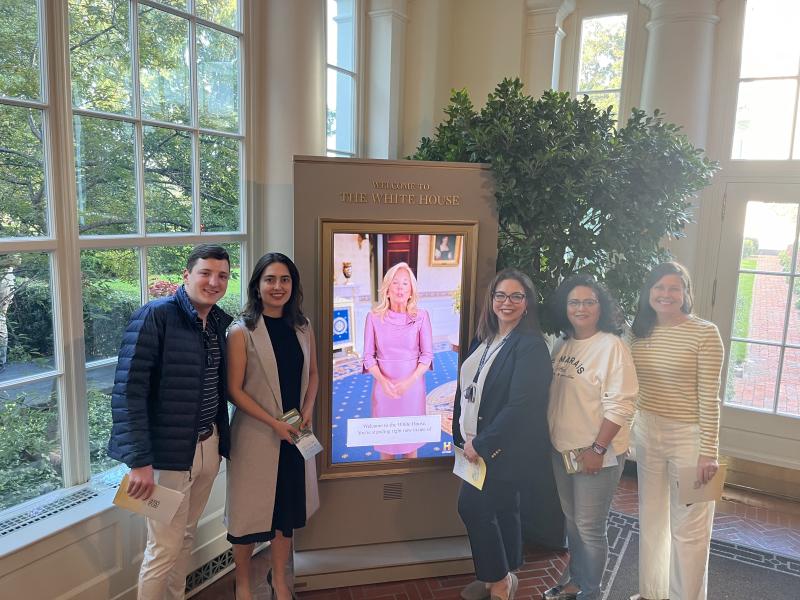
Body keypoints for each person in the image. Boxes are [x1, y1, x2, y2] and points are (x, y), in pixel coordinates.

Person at [107, 244, 233, 600]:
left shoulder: (217, 322)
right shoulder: (155, 316)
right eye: (205, 273)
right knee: (162, 547)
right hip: (165, 459)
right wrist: (139, 462)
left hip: (208, 449)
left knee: (186, 536)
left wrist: (220, 445)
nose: (213, 281)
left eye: (222, 275)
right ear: (186, 275)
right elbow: (128, 392)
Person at [453, 268, 552, 600]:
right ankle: (508, 571)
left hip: (500, 448)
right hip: (474, 443)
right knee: (504, 507)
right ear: (491, 300)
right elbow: (467, 386)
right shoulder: (484, 337)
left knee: (472, 507)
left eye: (516, 296)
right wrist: (459, 431)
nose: (506, 302)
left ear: (527, 303)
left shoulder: (531, 346)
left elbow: (522, 406)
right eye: (500, 295)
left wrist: (481, 444)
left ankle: (498, 581)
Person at [225, 252, 320, 600]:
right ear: (257, 285)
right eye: (270, 280)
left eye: (285, 280)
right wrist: (274, 424)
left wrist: (307, 411)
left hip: (295, 434)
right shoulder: (241, 330)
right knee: (247, 518)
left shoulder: (302, 325)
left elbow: (313, 376)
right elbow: (234, 390)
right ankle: (244, 586)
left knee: (286, 514)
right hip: (256, 435)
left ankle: (280, 583)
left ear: (293, 285)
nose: (277, 287)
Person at [629, 262, 724, 600]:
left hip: (693, 437)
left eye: (674, 288)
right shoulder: (637, 331)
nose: (666, 294)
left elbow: (710, 398)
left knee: (691, 530)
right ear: (649, 292)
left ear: (685, 294)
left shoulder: (705, 333)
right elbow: (630, 387)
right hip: (647, 431)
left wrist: (709, 452)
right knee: (652, 521)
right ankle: (652, 593)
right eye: (659, 287)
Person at [544, 275, 638, 600]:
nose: (581, 308)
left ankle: (591, 592)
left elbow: (621, 404)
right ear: (565, 308)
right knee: (572, 523)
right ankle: (575, 582)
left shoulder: (612, 346)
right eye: (574, 302)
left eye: (589, 301)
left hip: (596, 452)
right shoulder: (563, 343)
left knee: (589, 527)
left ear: (601, 307)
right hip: (563, 451)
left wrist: (597, 448)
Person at [362, 261, 433, 459]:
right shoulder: (373, 317)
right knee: (387, 450)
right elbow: (368, 357)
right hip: (384, 389)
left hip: (413, 389)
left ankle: (414, 490)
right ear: (387, 289)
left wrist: (409, 382)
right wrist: (384, 383)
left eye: (405, 283)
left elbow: (427, 356)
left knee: (411, 449)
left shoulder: (421, 316)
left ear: (411, 290)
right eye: (395, 283)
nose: (400, 288)